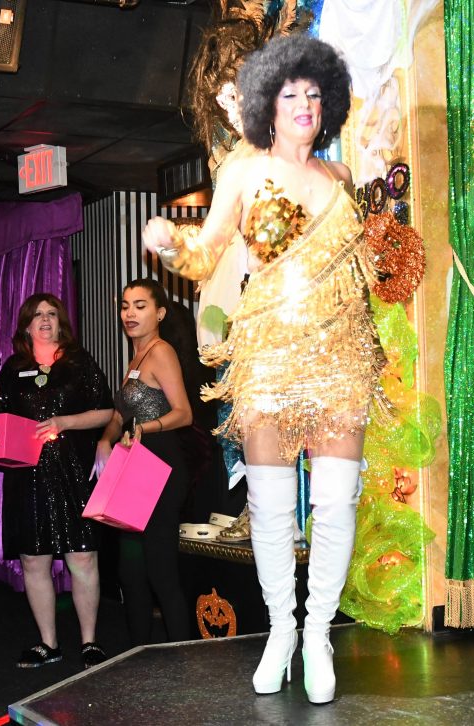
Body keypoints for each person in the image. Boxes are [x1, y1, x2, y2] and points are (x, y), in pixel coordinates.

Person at [142, 35, 391, 704]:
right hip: (270, 358)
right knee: (273, 509)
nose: (305, 103)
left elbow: (362, 269)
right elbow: (205, 255)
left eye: (314, 93)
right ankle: (282, 629)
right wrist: (170, 245)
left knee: (336, 502)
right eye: (290, 93)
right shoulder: (244, 173)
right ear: (266, 106)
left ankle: (319, 635)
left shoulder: (342, 178)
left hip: (340, 356)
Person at [0, 293, 114, 669]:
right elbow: (1, 422)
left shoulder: (79, 363)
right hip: (27, 477)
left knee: (83, 557)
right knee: (34, 560)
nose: (45, 319)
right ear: (26, 326)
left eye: (51, 313)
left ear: (61, 322)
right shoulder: (13, 368)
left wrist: (65, 422)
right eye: (37, 315)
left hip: (73, 473)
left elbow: (107, 412)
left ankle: (90, 642)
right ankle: (48, 644)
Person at [94, 279, 192, 646]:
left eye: (140, 306)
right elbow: (119, 416)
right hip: (134, 469)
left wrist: (143, 428)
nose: (130, 313)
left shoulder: (161, 352)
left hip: (160, 468)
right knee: (131, 571)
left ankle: (183, 657)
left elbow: (184, 413)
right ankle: (138, 655)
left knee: (160, 573)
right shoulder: (135, 358)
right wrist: (105, 440)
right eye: (125, 306)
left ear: (160, 313)